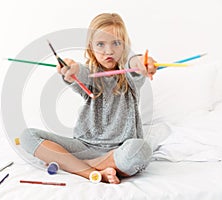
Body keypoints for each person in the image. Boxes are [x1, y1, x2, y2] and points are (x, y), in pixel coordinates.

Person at [20, 13, 157, 184]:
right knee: (27, 136)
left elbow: (135, 65)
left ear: (124, 47)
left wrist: (142, 63)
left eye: (116, 43)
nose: (109, 51)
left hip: (119, 150)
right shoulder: (91, 74)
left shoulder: (130, 77)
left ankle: (76, 165)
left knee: (140, 150)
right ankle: (91, 172)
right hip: (83, 147)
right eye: (101, 44)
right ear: (91, 47)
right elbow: (80, 72)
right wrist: (72, 69)